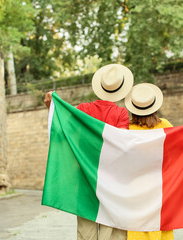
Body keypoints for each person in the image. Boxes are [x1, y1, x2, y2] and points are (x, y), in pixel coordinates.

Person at [44, 64, 133, 240]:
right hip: (111, 181)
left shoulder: (83, 109)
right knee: (112, 232)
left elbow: (62, 131)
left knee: (86, 234)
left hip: (84, 179)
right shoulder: (121, 113)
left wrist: (51, 107)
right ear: (120, 90)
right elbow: (123, 144)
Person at [124, 83, 174, 240]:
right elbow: (180, 147)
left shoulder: (127, 129)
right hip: (159, 186)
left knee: (136, 226)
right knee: (159, 225)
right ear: (155, 107)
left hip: (135, 187)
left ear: (133, 109)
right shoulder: (164, 125)